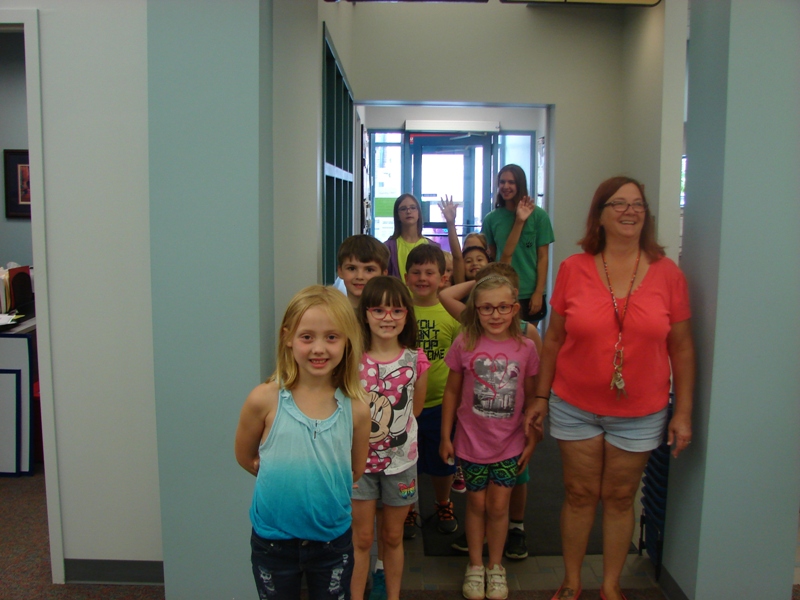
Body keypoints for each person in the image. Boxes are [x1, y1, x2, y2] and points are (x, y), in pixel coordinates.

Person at [536, 177, 695, 600]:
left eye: (638, 204)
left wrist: (682, 412)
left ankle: (610, 586)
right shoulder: (574, 268)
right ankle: (572, 582)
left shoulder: (668, 274)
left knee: (621, 497)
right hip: (574, 404)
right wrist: (541, 396)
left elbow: (681, 347)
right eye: (619, 204)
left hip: (642, 410)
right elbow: (554, 339)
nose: (630, 211)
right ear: (600, 215)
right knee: (579, 493)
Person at [235, 285, 371, 600]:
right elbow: (245, 457)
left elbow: (354, 469)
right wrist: (283, 474)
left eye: (331, 337)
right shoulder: (264, 399)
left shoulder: (357, 408)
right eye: (307, 337)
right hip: (273, 543)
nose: (318, 349)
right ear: (288, 337)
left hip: (332, 543)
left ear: (347, 340)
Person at [439, 274, 546, 600]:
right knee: (476, 503)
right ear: (475, 310)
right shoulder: (465, 342)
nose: (495, 314)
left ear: (514, 308)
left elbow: (532, 399)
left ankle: (495, 566)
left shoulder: (526, 348)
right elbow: (452, 391)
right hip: (471, 442)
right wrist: (446, 436)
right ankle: (475, 565)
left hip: (509, 443)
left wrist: (533, 439)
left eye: (502, 307)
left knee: (499, 506)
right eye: (486, 308)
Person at [351, 277, 430, 600]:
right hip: (358, 465)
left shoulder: (415, 360)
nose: (388, 317)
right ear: (365, 314)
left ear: (407, 315)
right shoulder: (351, 359)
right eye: (379, 310)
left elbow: (416, 410)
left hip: (401, 464)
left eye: (397, 310)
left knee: (393, 536)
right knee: (361, 539)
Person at [403, 244, 461, 537]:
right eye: (416, 272)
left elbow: (461, 361)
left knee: (443, 462)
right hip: (403, 406)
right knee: (406, 463)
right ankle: (408, 508)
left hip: (440, 405)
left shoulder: (452, 314)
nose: (422, 278)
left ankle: (443, 502)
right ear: (406, 277)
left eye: (429, 272)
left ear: (443, 278)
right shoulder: (399, 310)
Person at [482, 164, 554, 323]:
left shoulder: (539, 216)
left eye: (511, 182)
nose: (505, 186)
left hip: (530, 291)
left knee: (528, 336)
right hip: (502, 289)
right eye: (502, 182)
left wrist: (538, 292)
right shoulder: (491, 219)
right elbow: (492, 258)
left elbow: (543, 258)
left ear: (520, 184)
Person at [385, 193, 441, 281]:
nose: (408, 211)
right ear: (397, 215)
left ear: (419, 213)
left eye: (413, 207)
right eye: (403, 209)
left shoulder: (433, 247)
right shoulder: (388, 247)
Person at [338, 235, 391, 309]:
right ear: (340, 271)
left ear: (383, 274)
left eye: (369, 270)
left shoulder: (394, 313)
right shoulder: (330, 313)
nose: (359, 277)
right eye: (352, 268)